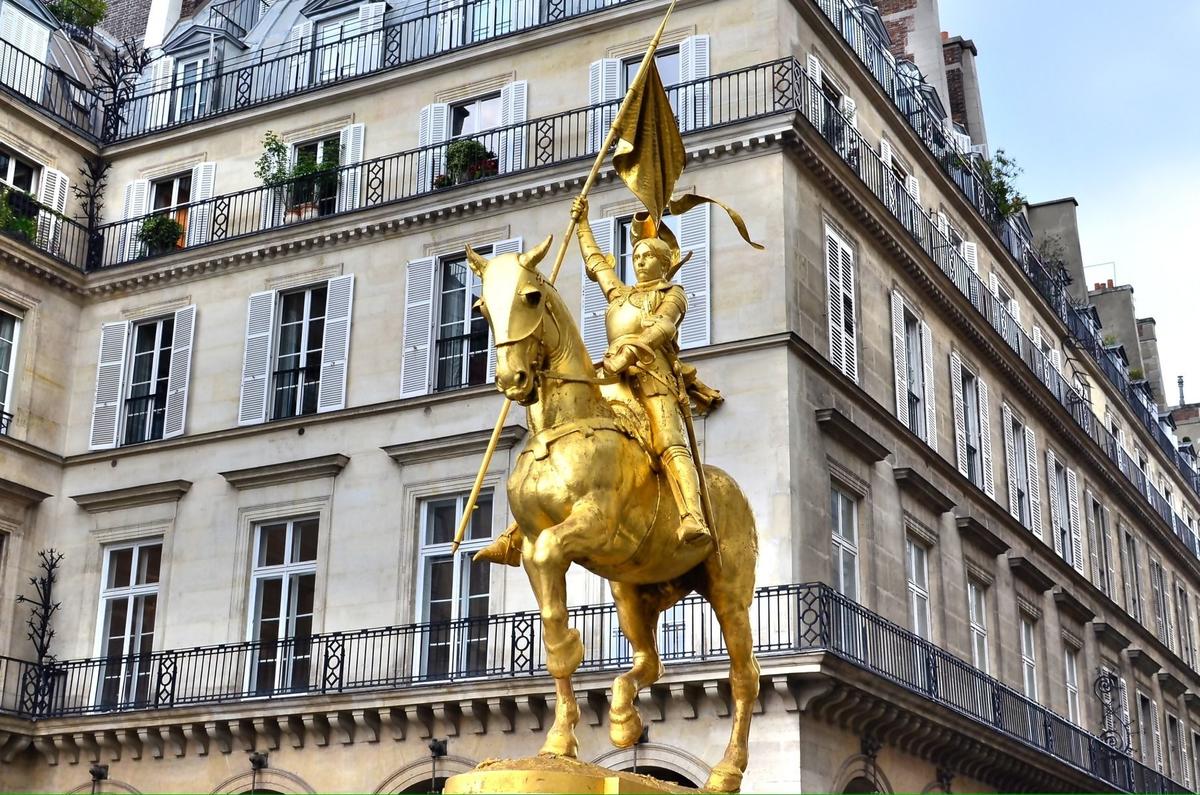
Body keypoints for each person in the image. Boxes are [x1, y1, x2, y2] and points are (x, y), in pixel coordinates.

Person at [475, 197, 713, 567]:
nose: (639, 261)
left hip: (652, 380)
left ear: (664, 263)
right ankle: (519, 531)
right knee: (562, 433)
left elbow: (663, 327)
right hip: (610, 380)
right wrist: (583, 224)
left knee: (668, 443)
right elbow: (596, 264)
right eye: (636, 256)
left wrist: (629, 351)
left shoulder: (671, 293)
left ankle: (691, 516)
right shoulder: (621, 296)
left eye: (647, 256)